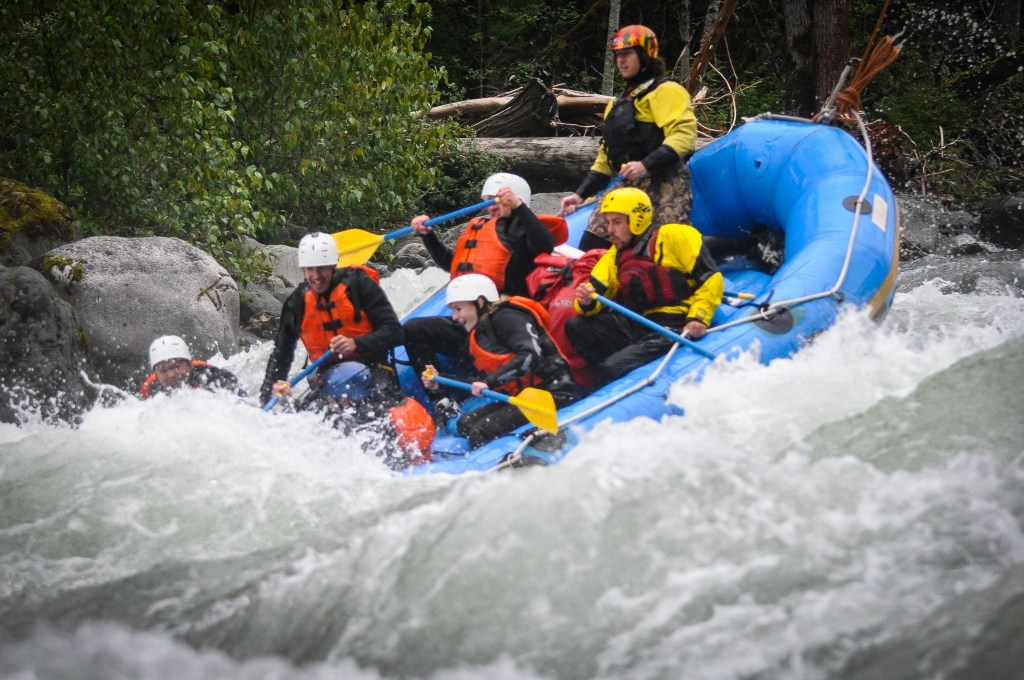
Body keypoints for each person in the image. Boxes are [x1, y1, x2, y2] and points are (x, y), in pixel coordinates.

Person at [402, 173, 561, 389]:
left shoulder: (521, 231)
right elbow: (454, 264)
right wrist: (428, 236)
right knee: (413, 328)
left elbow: (545, 244)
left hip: (501, 328)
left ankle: (485, 384)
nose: (492, 207)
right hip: (471, 323)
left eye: (497, 200)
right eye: (488, 201)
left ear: (517, 199)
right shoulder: (479, 228)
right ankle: (440, 396)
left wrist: (519, 208)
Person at [565, 187, 723, 387]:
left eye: (617, 222)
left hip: (674, 324)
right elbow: (594, 293)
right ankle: (618, 367)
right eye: (608, 223)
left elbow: (711, 279)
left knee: (610, 369)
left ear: (637, 220)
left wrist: (699, 316)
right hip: (641, 323)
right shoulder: (614, 256)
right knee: (576, 325)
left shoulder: (675, 236)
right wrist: (586, 301)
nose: (610, 230)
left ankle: (614, 370)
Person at [560, 24, 698, 252]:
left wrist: (645, 165)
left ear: (645, 56)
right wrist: (579, 194)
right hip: (625, 184)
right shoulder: (616, 104)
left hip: (664, 181)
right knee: (591, 244)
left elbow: (684, 136)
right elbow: (605, 159)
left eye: (627, 54)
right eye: (618, 55)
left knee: (665, 250)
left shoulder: (667, 91)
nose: (621, 61)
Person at [420, 274, 581, 448]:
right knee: (465, 424)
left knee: (480, 432)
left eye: (458, 309)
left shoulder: (508, 317)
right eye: (453, 310)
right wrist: (439, 380)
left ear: (480, 302)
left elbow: (531, 355)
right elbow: (480, 382)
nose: (454, 317)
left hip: (554, 393)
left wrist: (490, 382)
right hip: (524, 397)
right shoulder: (481, 334)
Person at [260, 232, 404, 408]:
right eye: (310, 269)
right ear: (302, 270)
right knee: (314, 407)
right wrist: (267, 394)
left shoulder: (359, 285)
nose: (316, 276)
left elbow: (395, 332)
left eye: (322, 268)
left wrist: (355, 343)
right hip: (328, 376)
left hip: (372, 368)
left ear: (334, 265)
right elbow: (281, 353)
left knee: (364, 386)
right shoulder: (297, 303)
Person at [320, 360, 435, 470]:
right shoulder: (393, 400)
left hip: (399, 469)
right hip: (422, 458)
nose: (331, 406)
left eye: (332, 400)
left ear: (345, 400)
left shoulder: (366, 423)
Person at [140, 335, 245, 399]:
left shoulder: (214, 378)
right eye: (162, 370)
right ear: (156, 374)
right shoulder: (151, 389)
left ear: (190, 364)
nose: (171, 374)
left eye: (176, 366)